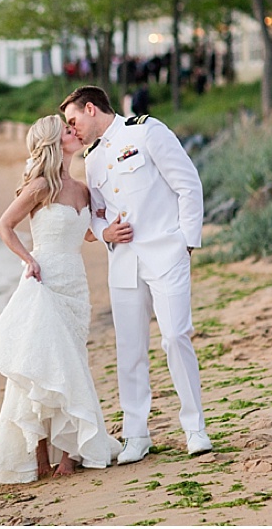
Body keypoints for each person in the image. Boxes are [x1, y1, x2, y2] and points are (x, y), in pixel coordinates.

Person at [60, 86, 212, 465]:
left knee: (176, 336)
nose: (72, 129)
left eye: (73, 120)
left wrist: (186, 242)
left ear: (91, 108)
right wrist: (106, 233)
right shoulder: (92, 159)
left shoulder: (146, 131)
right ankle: (136, 435)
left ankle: (195, 428)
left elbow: (188, 184)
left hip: (166, 253)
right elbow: (97, 214)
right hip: (124, 263)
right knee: (129, 352)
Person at [0, 115, 121, 483]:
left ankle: (69, 452)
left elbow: (89, 233)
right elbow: (5, 226)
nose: (74, 133)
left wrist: (109, 231)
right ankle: (40, 452)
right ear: (55, 144)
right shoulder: (41, 185)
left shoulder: (83, 189)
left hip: (75, 285)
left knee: (70, 363)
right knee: (41, 364)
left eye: (73, 129)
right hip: (44, 281)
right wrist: (28, 259)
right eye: (67, 131)